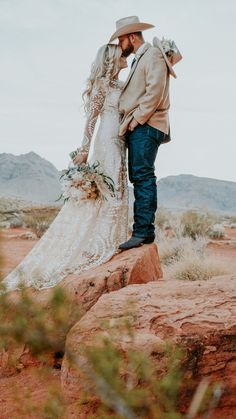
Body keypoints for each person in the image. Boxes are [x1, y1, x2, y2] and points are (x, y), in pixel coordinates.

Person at [2, 44, 129, 292]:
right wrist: (84, 150)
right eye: (121, 55)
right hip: (106, 141)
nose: (125, 58)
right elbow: (91, 120)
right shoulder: (101, 85)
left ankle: (115, 240)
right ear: (111, 60)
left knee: (120, 188)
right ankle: (103, 245)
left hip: (121, 142)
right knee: (108, 190)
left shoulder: (121, 85)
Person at [109, 16, 182, 250]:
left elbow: (155, 92)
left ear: (132, 37)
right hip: (142, 124)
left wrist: (136, 120)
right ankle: (145, 232)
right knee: (139, 176)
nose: (121, 46)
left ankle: (141, 231)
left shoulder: (153, 55)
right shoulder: (140, 58)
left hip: (147, 124)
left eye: (121, 40)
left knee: (143, 176)